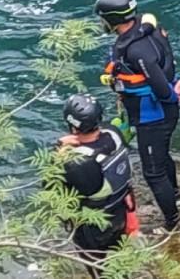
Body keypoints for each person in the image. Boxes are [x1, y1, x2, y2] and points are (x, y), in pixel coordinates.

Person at [96, 0, 180, 232]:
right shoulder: (148, 27)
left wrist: (173, 93)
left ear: (113, 19)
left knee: (153, 171)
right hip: (163, 112)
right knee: (162, 157)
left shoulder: (136, 50)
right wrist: (176, 83)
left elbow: (159, 87)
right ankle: (174, 194)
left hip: (154, 115)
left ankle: (173, 223)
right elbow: (167, 63)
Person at [54, 93, 135, 277]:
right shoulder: (114, 134)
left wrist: (58, 149)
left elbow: (51, 186)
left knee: (97, 265)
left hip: (93, 226)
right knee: (120, 259)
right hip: (120, 211)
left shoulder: (77, 162)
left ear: (74, 128)